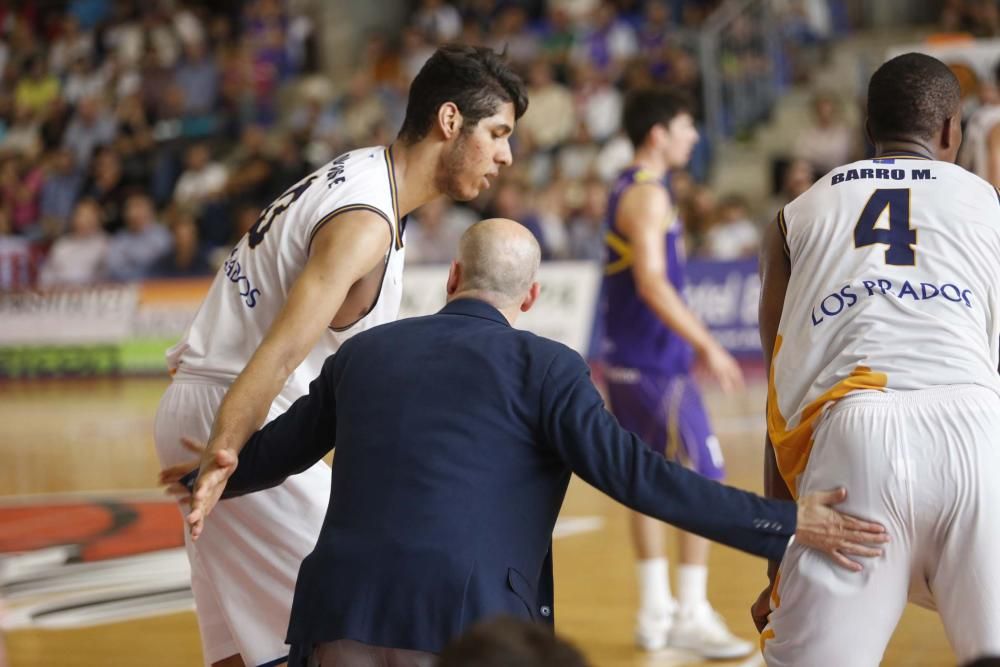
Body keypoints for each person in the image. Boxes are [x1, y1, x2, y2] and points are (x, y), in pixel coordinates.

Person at [164, 219, 887, 667]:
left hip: (337, 614)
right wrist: (787, 522)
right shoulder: (547, 365)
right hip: (461, 627)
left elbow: (277, 449)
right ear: (533, 298)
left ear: (451, 278)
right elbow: (643, 478)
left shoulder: (365, 352)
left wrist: (206, 473)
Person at [153, 45, 527, 667]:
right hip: (240, 420)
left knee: (247, 653)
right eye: (498, 133)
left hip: (210, 405)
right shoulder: (366, 221)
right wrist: (228, 454)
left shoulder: (359, 173)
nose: (506, 156)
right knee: (368, 626)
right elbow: (280, 350)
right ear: (450, 121)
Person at [753, 52, 1000, 665]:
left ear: (867, 129)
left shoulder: (796, 215)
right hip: (975, 428)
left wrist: (774, 559)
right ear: (950, 130)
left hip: (854, 442)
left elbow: (780, 395)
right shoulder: (990, 203)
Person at [598, 87, 750, 657]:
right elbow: (653, 282)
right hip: (655, 363)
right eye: (687, 126)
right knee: (703, 477)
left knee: (649, 481)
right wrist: (708, 344)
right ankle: (690, 611)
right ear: (659, 133)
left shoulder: (633, 187)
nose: (694, 137)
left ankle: (655, 609)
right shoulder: (646, 195)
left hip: (628, 361)